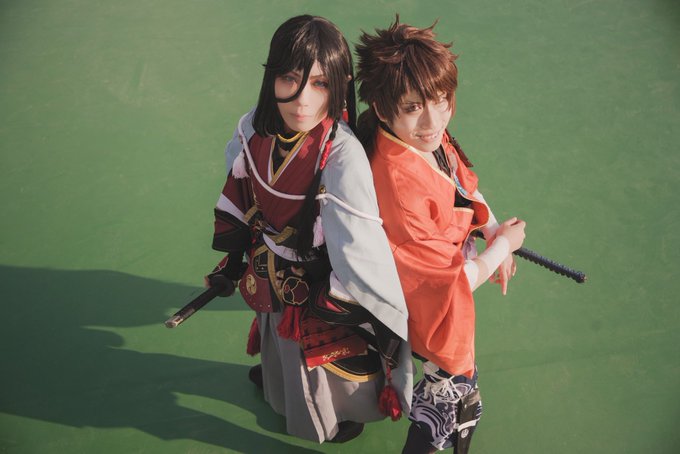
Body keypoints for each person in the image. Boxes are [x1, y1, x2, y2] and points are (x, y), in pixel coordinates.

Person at [205, 15, 413, 444]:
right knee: (276, 336)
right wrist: (233, 262)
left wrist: (339, 295)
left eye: (319, 83)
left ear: (340, 84)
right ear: (271, 77)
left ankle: (335, 415)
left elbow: (360, 251)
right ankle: (278, 387)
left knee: (317, 356)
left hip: (320, 281)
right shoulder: (251, 129)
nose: (302, 100)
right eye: (289, 79)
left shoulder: (341, 155)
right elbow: (240, 197)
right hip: (269, 265)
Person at [355, 17, 527, 453]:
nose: (434, 121)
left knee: (459, 397)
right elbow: (451, 284)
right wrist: (502, 247)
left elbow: (460, 184)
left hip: (440, 269)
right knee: (445, 399)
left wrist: (491, 228)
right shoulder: (401, 189)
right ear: (382, 108)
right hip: (429, 304)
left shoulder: (417, 138)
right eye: (414, 107)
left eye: (441, 100)